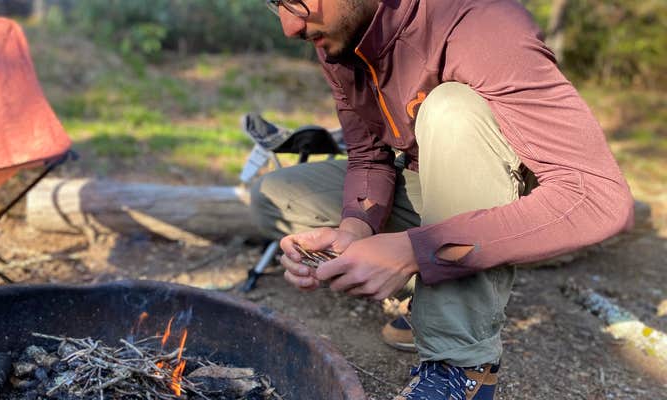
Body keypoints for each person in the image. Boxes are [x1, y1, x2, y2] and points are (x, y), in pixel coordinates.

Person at [249, 0, 635, 399]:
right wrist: (354, 229)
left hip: (511, 198)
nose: (289, 27)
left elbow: (597, 197)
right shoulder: (340, 36)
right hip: (424, 181)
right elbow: (368, 156)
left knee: (451, 109)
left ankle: (462, 366)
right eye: (275, 3)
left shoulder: (481, 22)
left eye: (296, 0)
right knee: (275, 195)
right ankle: (435, 295)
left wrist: (413, 251)